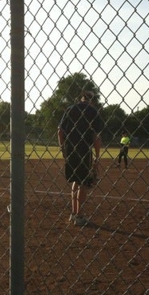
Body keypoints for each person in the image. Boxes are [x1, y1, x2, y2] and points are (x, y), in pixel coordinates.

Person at [58, 91, 103, 226]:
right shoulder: (93, 111)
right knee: (83, 183)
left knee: (76, 181)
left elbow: (60, 130)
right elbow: (96, 137)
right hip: (84, 150)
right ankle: (79, 215)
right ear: (92, 101)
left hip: (70, 150)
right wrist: (97, 156)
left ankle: (73, 214)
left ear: (80, 98)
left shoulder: (70, 109)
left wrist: (62, 148)